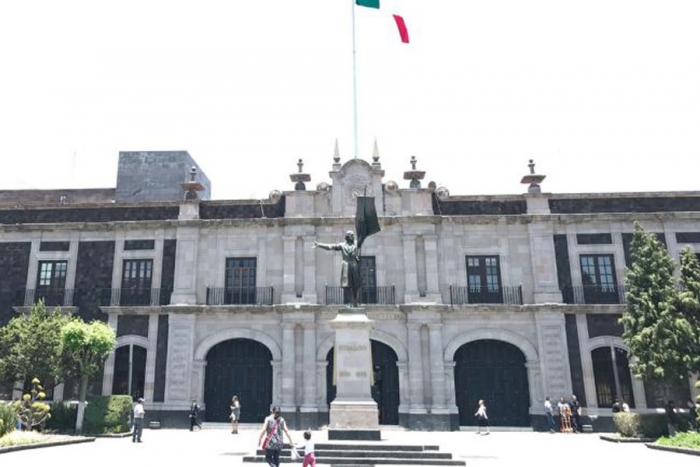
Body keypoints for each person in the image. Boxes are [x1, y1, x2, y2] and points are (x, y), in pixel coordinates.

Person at [314, 231, 361, 308]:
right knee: (345, 285)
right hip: (346, 265)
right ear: (347, 236)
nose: (353, 236)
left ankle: (355, 301)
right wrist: (319, 245)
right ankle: (350, 301)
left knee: (355, 285)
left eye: (353, 235)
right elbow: (330, 247)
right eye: (351, 235)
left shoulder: (356, 244)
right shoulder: (342, 245)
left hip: (354, 265)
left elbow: (361, 239)